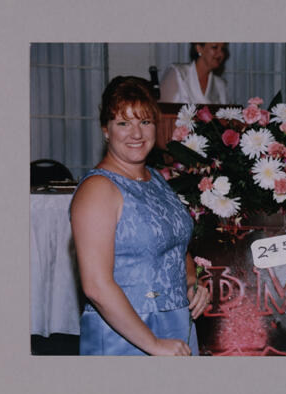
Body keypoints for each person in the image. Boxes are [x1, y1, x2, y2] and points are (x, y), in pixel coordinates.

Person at [70, 76, 210, 355]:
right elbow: (96, 285)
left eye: (144, 122)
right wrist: (153, 344)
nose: (136, 133)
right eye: (124, 123)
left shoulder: (156, 179)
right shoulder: (97, 189)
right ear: (106, 130)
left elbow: (176, 246)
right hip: (126, 334)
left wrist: (194, 282)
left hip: (176, 323)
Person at [159, 43, 229, 104]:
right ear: (199, 48)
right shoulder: (177, 73)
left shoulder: (221, 85)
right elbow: (162, 112)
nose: (221, 54)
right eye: (215, 47)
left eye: (222, 49)